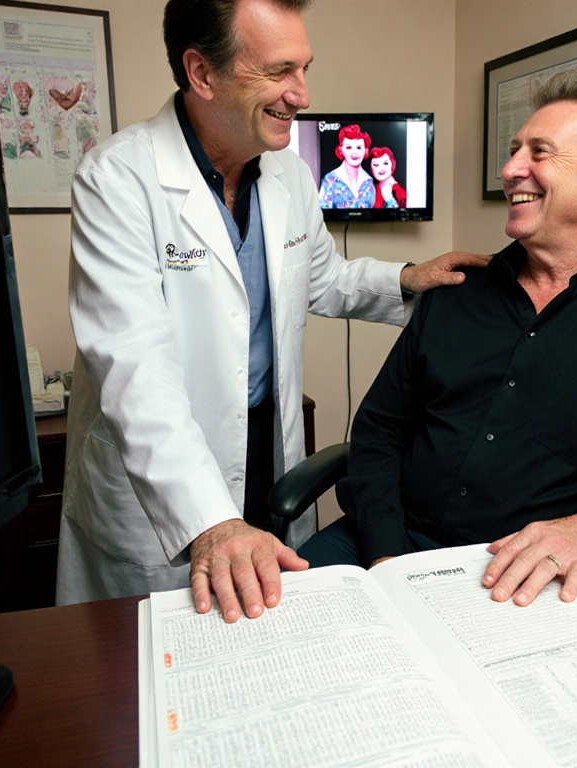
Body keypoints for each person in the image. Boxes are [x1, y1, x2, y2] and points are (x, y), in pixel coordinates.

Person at [56, 0, 486, 620]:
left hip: (264, 442)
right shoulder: (118, 179)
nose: (302, 95)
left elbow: (320, 278)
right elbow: (132, 366)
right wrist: (209, 523)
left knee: (262, 630)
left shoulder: (288, 173)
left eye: (305, 69)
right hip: (161, 462)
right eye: (280, 72)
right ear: (203, 74)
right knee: (151, 665)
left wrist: (409, 277)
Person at [299, 70, 577, 608]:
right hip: (385, 543)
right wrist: (387, 554)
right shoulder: (457, 292)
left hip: (524, 573)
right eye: (513, 150)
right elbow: (381, 430)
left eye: (540, 152)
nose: (509, 170)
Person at [317, 124, 375, 208]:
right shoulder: (330, 180)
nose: (354, 152)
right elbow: (321, 214)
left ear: (365, 150)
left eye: (359, 147)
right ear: (341, 150)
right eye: (349, 147)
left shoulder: (369, 182)